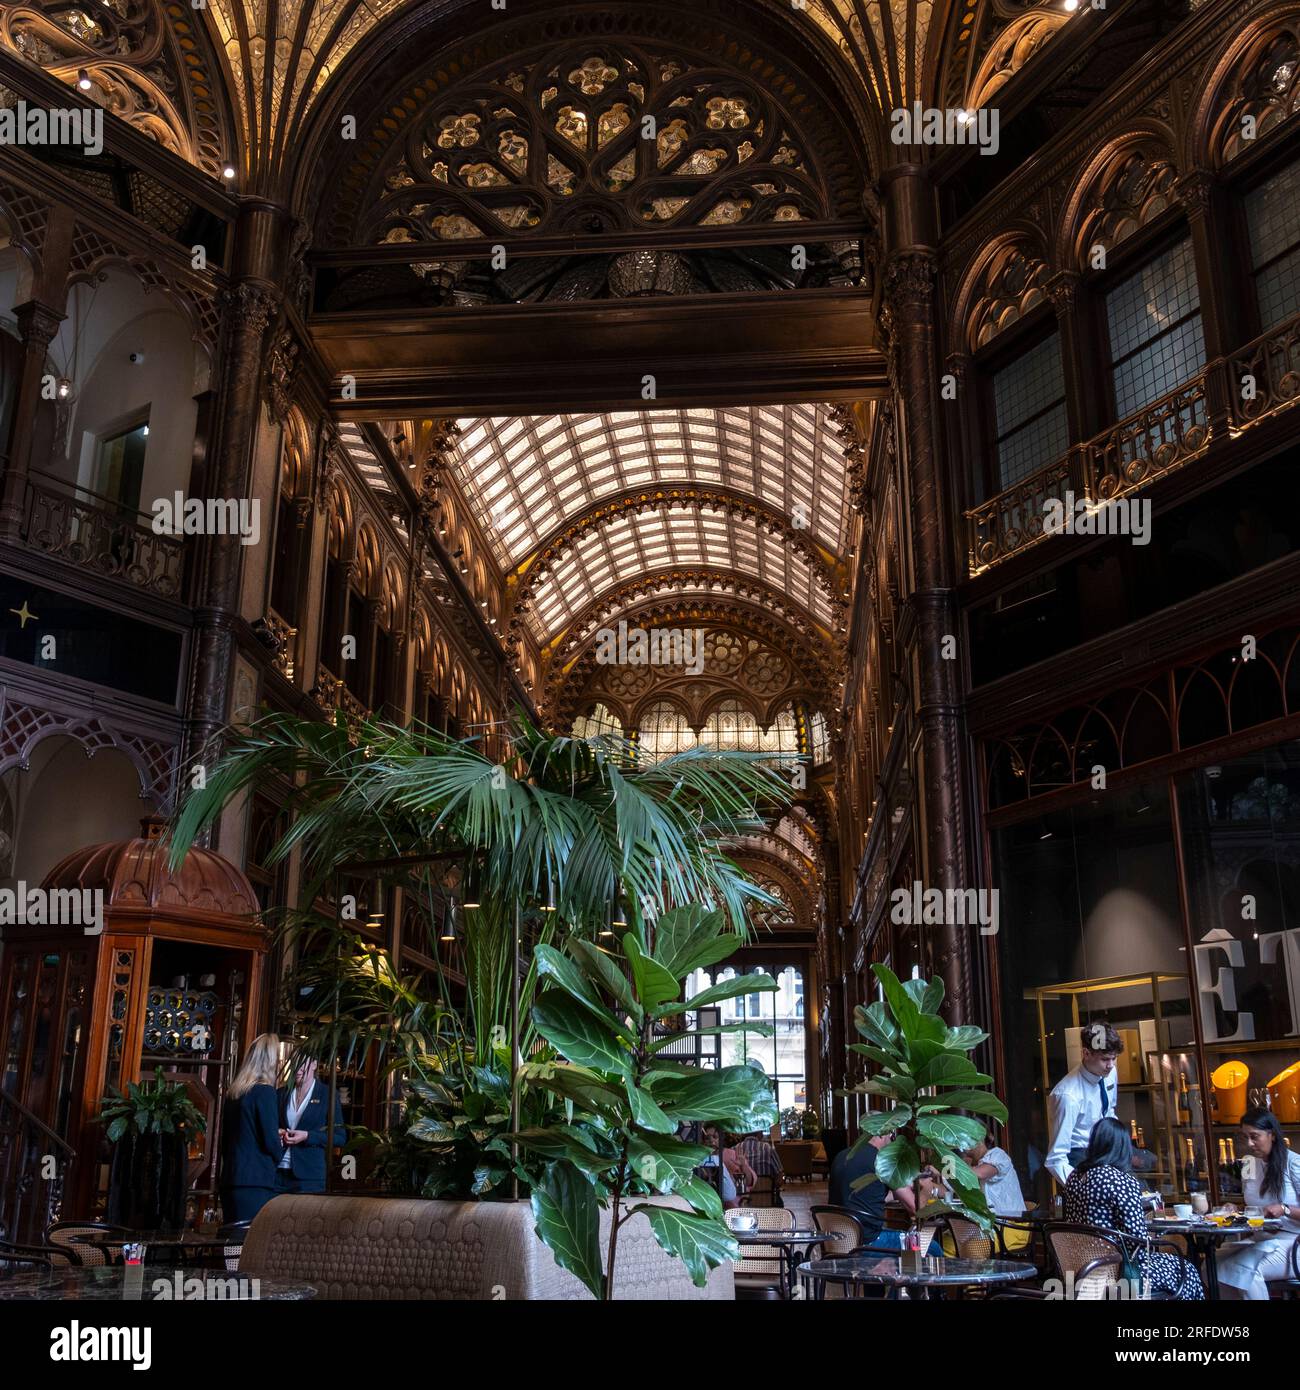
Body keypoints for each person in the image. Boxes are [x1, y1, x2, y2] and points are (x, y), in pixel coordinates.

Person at [1063, 1117, 1203, 1300]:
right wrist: (1153, 1239)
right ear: (1123, 1147)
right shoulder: (1120, 1180)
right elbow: (1136, 1239)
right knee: (1188, 1271)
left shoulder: (1074, 1177)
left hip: (1081, 1267)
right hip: (1118, 1270)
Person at [1217, 1106, 1300, 1300]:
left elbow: (1279, 1208)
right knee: (1210, 1266)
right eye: (1245, 1137)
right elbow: (1253, 1207)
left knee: (1244, 1270)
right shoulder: (1248, 1164)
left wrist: (1285, 1209)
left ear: (1271, 1135)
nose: (1249, 1143)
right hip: (1262, 1239)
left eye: (1254, 1136)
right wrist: (1235, 1209)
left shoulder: (1293, 1163)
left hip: (1293, 1242)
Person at [828, 1132, 943, 1251]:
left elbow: (863, 1197)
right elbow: (916, 1208)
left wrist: (896, 1192)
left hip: (839, 1241)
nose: (892, 1140)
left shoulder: (842, 1155)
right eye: (892, 1135)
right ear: (882, 1134)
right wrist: (928, 1188)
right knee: (932, 1248)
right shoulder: (883, 1161)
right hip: (869, 1241)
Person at [1046, 1022, 1122, 1188]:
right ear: (1086, 1053)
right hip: (1080, 1159)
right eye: (1105, 1059)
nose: (1111, 1065)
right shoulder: (1067, 1095)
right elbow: (1055, 1158)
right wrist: (1081, 1189)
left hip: (1108, 1154)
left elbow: (1110, 1110)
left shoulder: (1110, 1073)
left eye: (1114, 1058)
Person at [220, 1033, 286, 1223]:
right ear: (271, 1061)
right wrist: (279, 1149)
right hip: (255, 1181)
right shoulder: (265, 1092)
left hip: (231, 1178)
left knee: (231, 1244)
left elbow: (231, 1138)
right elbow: (269, 1141)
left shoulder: (235, 1092)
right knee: (250, 1245)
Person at [276, 1055, 347, 1195]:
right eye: (294, 1063)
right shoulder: (281, 1093)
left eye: (302, 1063)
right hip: (277, 1173)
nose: (297, 1068)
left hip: (309, 1177)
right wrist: (277, 1132)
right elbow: (271, 1127)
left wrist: (308, 1136)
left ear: (314, 1064)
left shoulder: (328, 1094)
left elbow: (339, 1137)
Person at [961, 1131, 1031, 1251]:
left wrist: (953, 1166)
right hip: (986, 1226)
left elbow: (980, 1173)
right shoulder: (970, 1164)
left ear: (979, 1137)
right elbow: (950, 1189)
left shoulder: (998, 1155)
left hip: (1011, 1226)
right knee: (946, 1245)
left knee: (972, 1249)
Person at [698, 1123, 755, 1208]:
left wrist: (744, 1166)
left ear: (721, 1138)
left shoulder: (733, 1154)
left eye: (715, 1137)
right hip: (709, 1201)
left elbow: (749, 1182)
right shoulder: (700, 1158)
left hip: (735, 1204)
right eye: (707, 1138)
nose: (711, 1141)